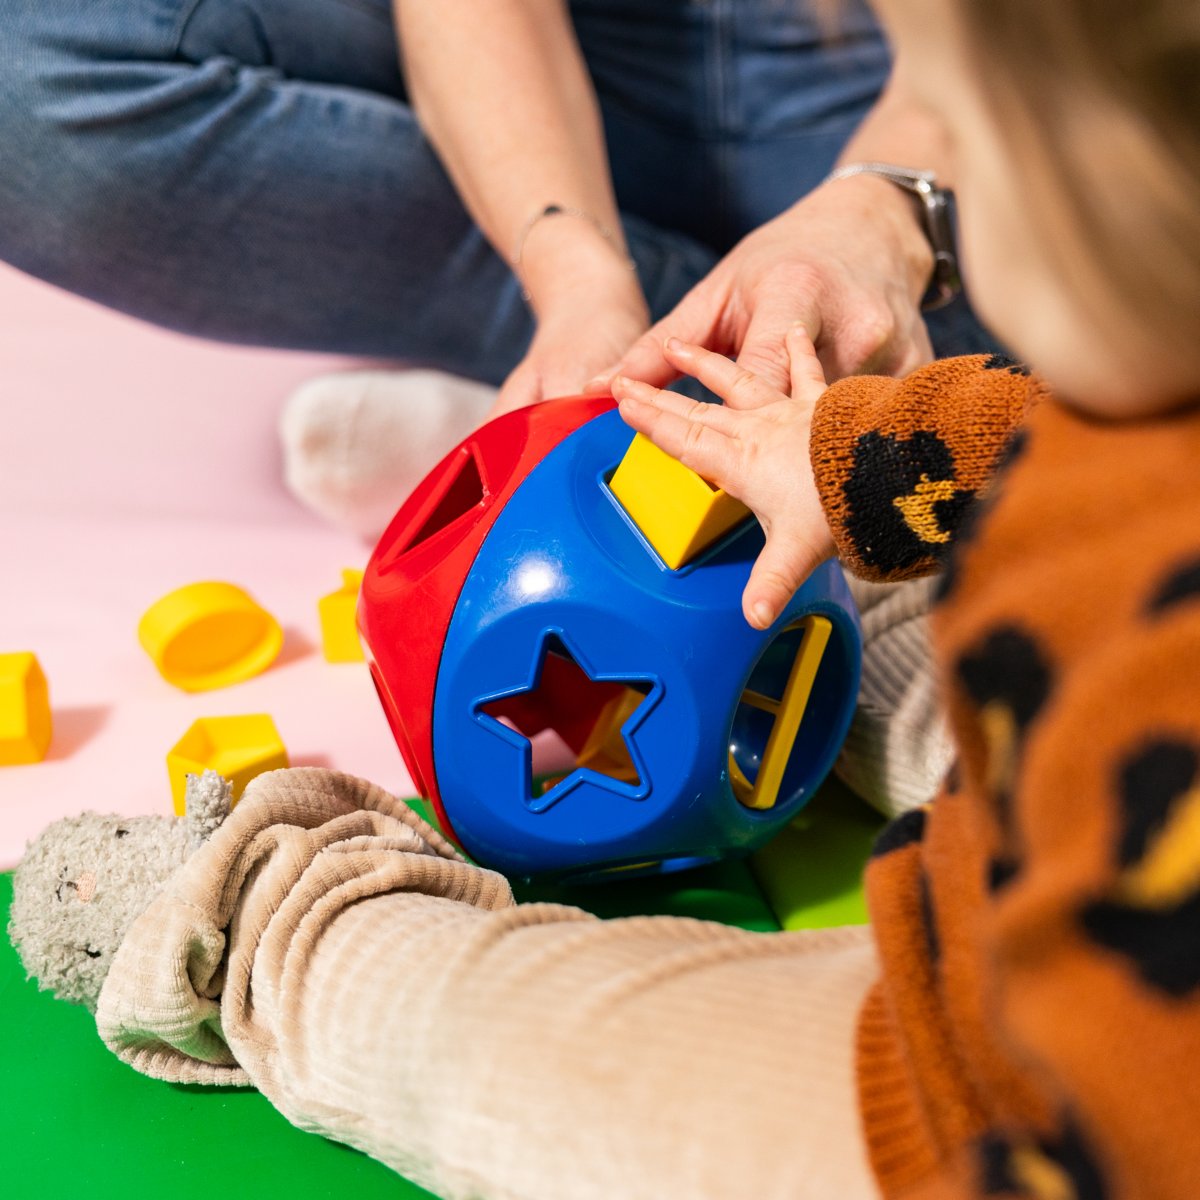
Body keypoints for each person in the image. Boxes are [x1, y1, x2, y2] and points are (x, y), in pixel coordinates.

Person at [39, 0, 1200, 1197]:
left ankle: (278, 919)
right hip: (1083, 748)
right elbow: (1072, 459)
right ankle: (676, 466)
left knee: (520, 1052)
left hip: (1021, 1061)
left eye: (965, 143)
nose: (959, 219)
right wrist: (849, 448)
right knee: (969, 617)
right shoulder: (1137, 425)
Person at [0, 0, 995, 539]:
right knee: (29, 82)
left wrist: (882, 213)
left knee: (1115, 295)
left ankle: (687, 397)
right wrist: (570, 270)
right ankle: (621, 396)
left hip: (939, 71)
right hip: (603, 49)